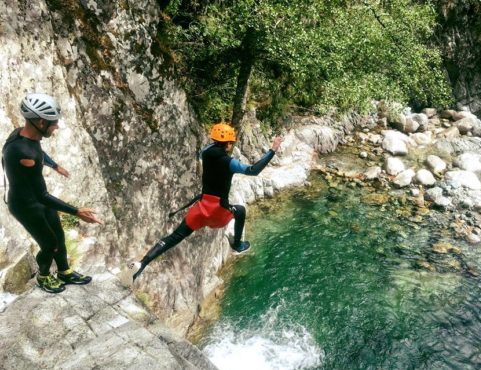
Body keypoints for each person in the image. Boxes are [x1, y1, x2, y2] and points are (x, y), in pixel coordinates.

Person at [130, 122, 283, 280]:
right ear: (229, 144)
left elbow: (213, 145)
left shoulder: (206, 152)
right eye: (231, 143)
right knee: (241, 210)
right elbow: (253, 170)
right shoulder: (228, 162)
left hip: (201, 207)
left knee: (174, 237)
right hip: (217, 211)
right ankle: (238, 245)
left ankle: (142, 263)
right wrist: (272, 150)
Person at [2, 93, 102, 293]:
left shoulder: (23, 135)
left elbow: (37, 151)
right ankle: (44, 276)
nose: (56, 127)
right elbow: (42, 195)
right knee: (49, 244)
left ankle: (64, 272)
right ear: (40, 121)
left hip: (33, 197)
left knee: (58, 235)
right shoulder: (24, 155)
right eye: (53, 123)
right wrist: (77, 211)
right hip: (25, 205)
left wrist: (55, 165)